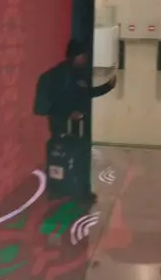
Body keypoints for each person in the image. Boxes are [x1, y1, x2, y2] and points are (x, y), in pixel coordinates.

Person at [35, 39, 116, 202]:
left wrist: (107, 87)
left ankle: (59, 189)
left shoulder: (70, 72)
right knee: (76, 156)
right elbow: (57, 100)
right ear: (76, 56)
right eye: (83, 56)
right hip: (63, 125)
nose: (85, 59)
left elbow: (84, 93)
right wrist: (69, 113)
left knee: (61, 155)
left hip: (64, 126)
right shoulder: (63, 75)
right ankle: (76, 192)